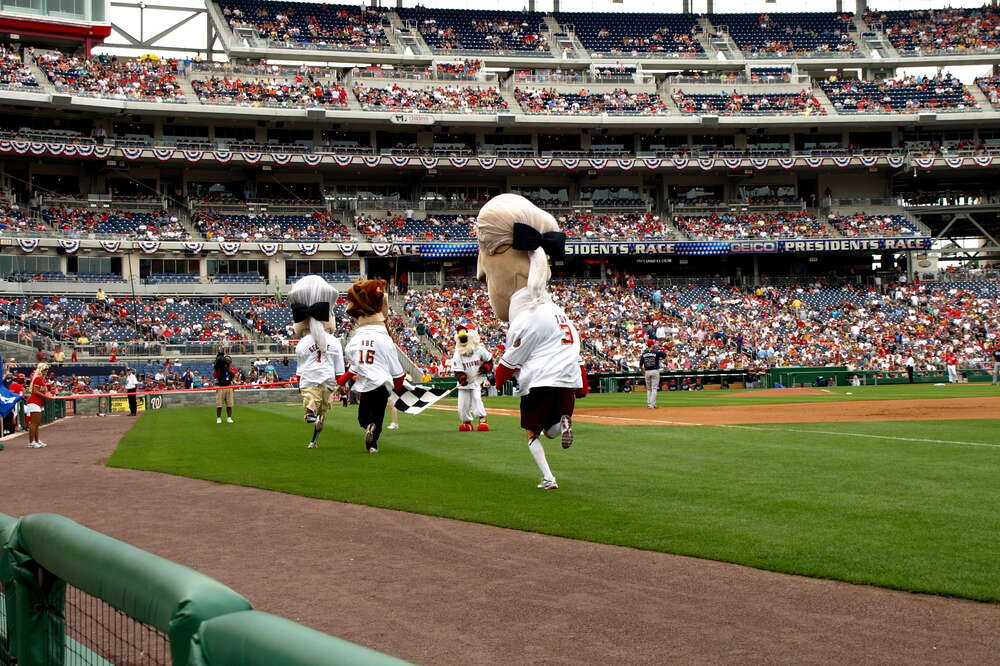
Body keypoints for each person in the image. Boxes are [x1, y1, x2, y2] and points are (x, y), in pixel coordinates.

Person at [477, 193, 587, 491]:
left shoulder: (527, 317)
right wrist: (581, 385)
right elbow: (576, 352)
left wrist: (492, 381)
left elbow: (510, 361)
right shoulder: (562, 315)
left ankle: (548, 478)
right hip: (566, 381)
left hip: (539, 380)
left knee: (532, 435)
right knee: (552, 430)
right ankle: (564, 421)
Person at [339, 279, 405, 453]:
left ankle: (369, 427)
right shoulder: (385, 340)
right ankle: (373, 443)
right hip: (382, 385)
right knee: (379, 416)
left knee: (363, 417)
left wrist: (341, 380)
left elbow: (354, 367)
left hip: (366, 385)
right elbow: (397, 371)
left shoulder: (353, 342)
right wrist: (398, 386)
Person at [289, 275, 345, 449]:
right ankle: (313, 427)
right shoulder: (334, 342)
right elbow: (340, 371)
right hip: (328, 380)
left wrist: (298, 382)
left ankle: (311, 421)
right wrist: (343, 391)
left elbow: (300, 369)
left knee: (312, 402)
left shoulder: (303, 343)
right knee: (321, 409)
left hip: (310, 379)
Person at [450, 325, 492, 431]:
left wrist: (485, 368)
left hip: (475, 381)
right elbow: (458, 370)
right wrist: (462, 378)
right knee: (462, 405)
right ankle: (467, 422)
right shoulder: (458, 354)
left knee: (477, 399)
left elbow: (489, 360)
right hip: (464, 384)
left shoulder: (479, 350)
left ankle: (482, 419)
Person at [24, 363, 54, 448]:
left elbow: (43, 392)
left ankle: (36, 441)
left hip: (38, 402)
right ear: (41, 370)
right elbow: (35, 391)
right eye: (45, 370)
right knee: (33, 424)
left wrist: (48, 396)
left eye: (47, 370)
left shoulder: (42, 380)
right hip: (34, 401)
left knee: (36, 424)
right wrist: (46, 396)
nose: (46, 371)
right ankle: (31, 442)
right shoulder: (37, 379)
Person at [639, 339, 667, 409]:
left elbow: (640, 365)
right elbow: (664, 355)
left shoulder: (644, 353)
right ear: (651, 345)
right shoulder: (656, 352)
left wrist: (643, 372)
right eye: (653, 344)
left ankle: (649, 404)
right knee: (654, 388)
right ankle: (652, 405)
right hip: (654, 371)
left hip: (647, 372)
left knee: (649, 389)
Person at [213, 353, 239, 424]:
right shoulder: (219, 368)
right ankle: (218, 418)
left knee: (229, 404)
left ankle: (229, 418)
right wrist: (219, 366)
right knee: (219, 405)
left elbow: (233, 375)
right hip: (220, 387)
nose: (227, 360)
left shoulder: (232, 368)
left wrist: (227, 368)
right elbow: (215, 375)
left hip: (229, 386)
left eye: (228, 359)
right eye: (226, 359)